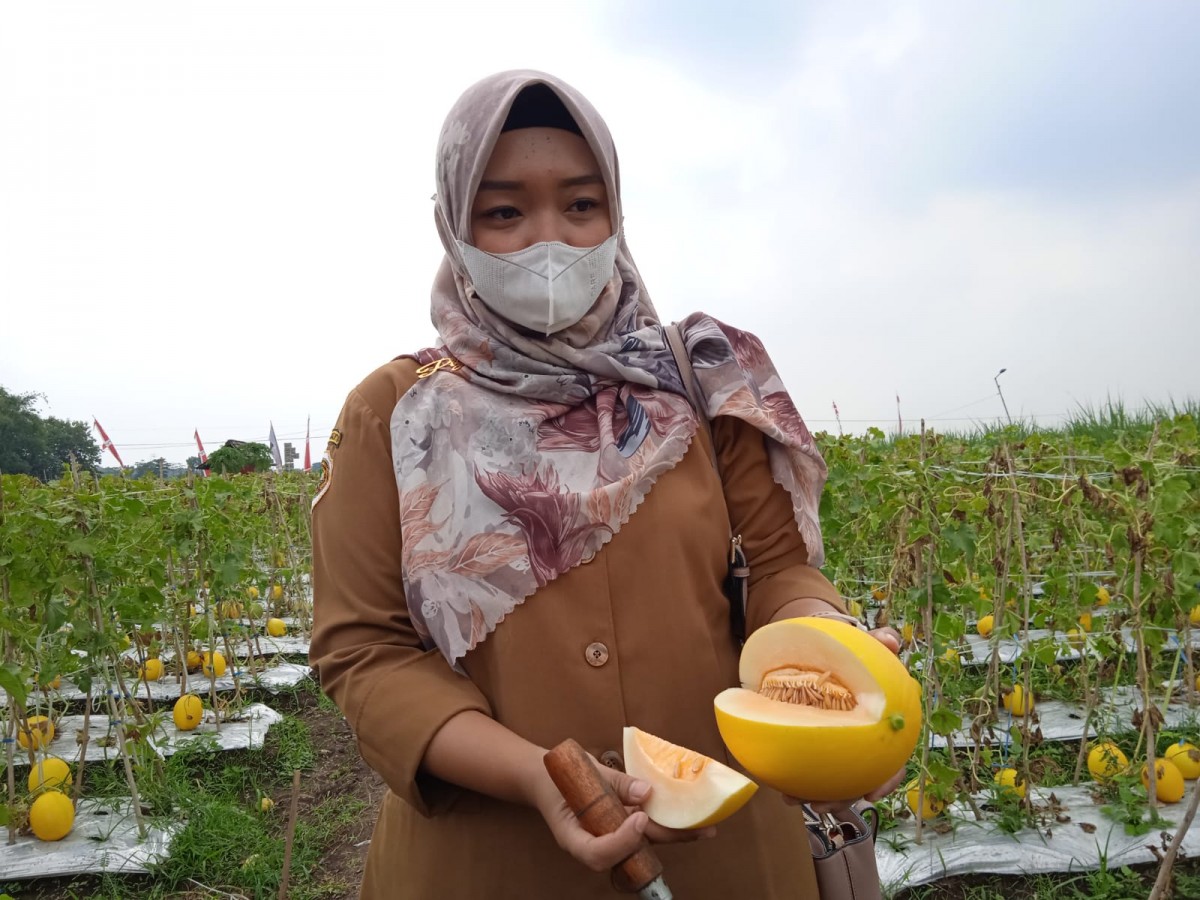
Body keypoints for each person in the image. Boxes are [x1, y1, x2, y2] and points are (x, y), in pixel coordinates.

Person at [309, 69, 903, 899]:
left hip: (729, 852)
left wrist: (832, 650)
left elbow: (777, 571)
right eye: (505, 211)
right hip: (487, 863)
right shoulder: (396, 414)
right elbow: (364, 649)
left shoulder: (703, 379)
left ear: (616, 214)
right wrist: (532, 776)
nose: (548, 241)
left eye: (581, 206)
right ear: (454, 222)